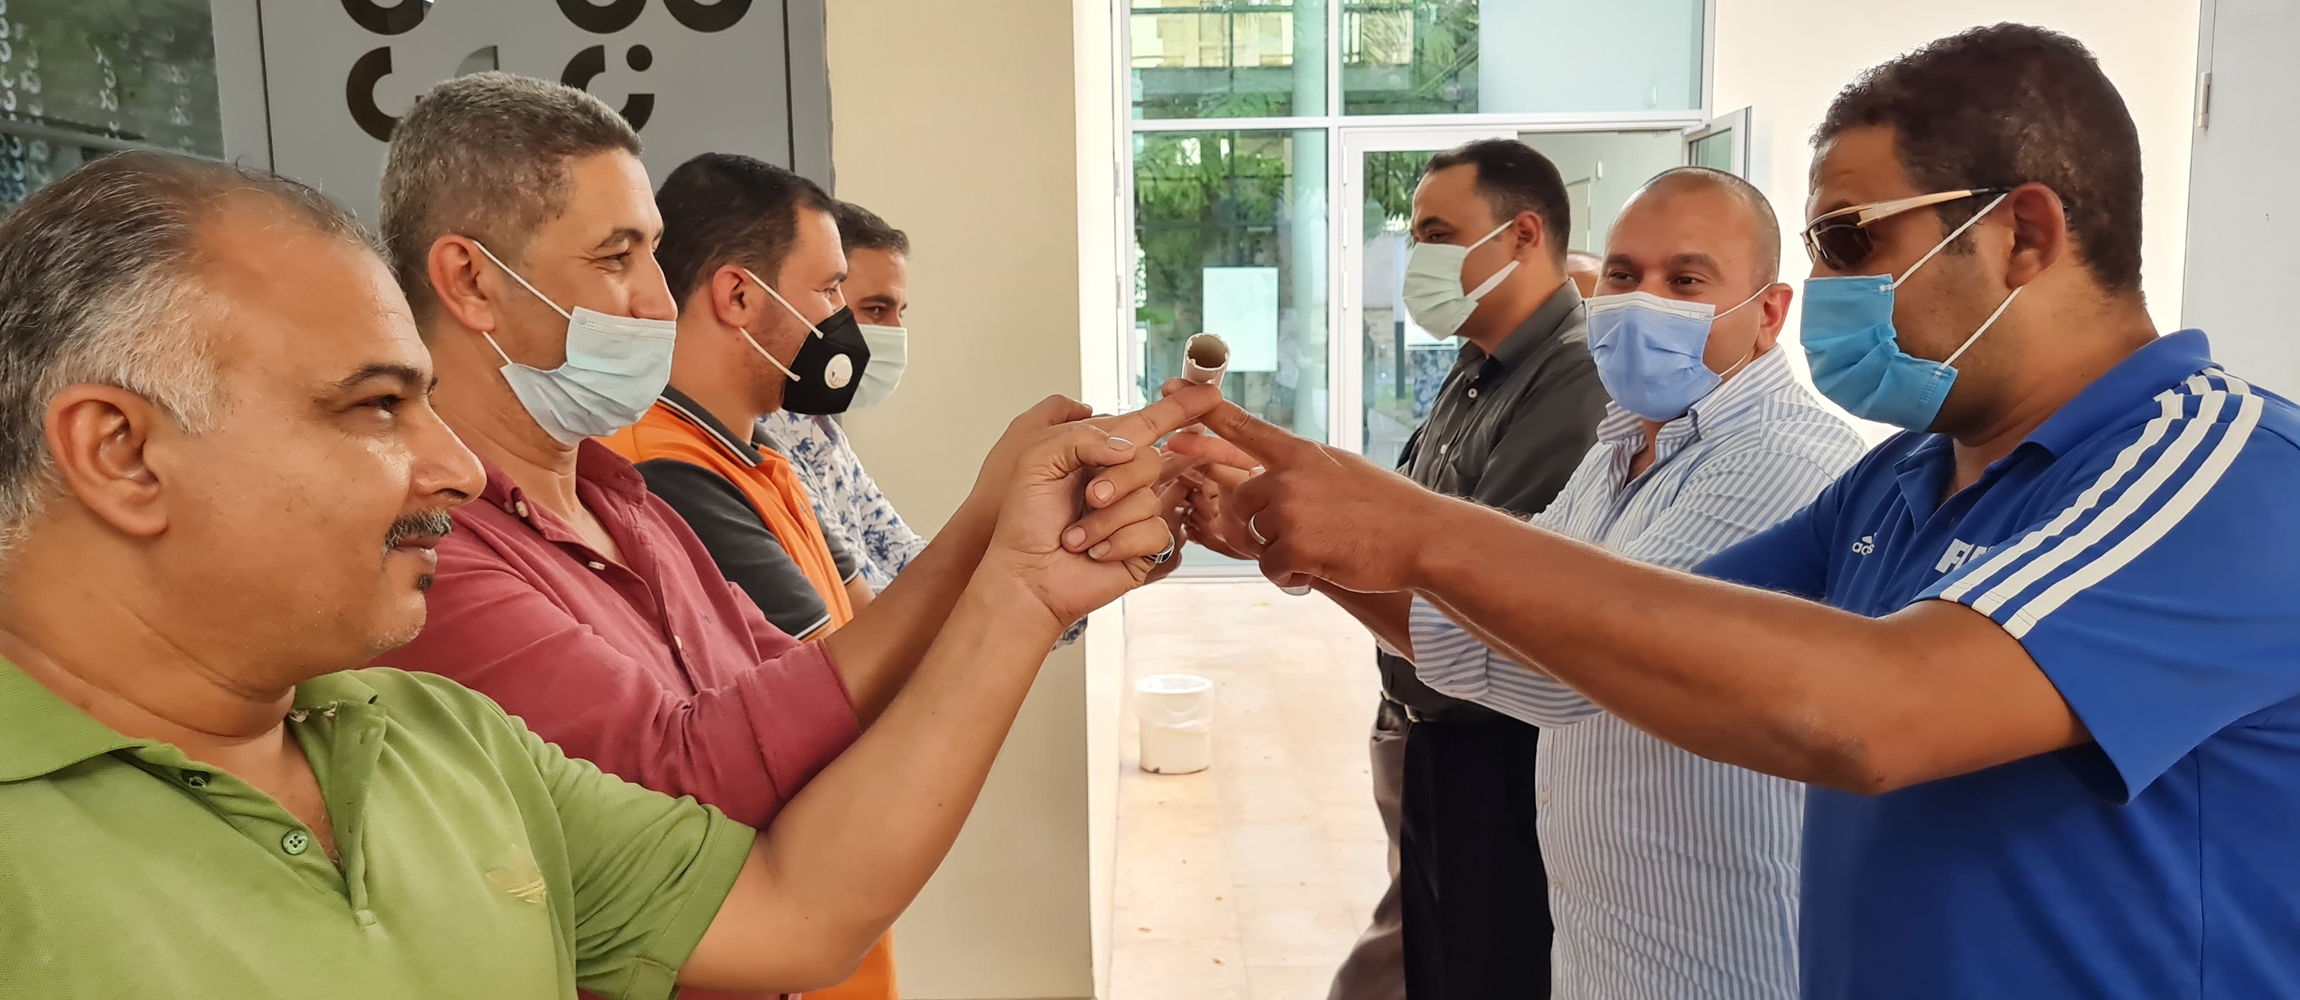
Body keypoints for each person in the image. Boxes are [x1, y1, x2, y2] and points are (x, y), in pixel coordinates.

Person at [1175, 24, 2300, 1000]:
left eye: (1851, 241)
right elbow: (1578, 653)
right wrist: (1314, 528)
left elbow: (1872, 714)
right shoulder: (1902, 481)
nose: (1829, 292)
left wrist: (1418, 528)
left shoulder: (2219, 475)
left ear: (2026, 235)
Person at [0, 152, 1205, 997]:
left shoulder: (440, 738)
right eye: (373, 407)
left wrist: (1020, 589)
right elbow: (718, 754)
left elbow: (795, 907)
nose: (451, 469)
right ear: (121, 452)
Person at [368, 73, 1206, 999]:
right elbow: (698, 774)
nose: (658, 302)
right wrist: (1000, 554)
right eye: (616, 258)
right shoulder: (429, 554)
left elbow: (812, 700)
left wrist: (1014, 543)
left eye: (654, 255)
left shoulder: (628, 505)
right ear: (471, 280)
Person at [1409, 167, 1864, 998]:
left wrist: (1354, 543)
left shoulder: (1784, 465)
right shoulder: (1623, 444)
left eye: (1685, 281)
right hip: (1607, 944)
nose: (1640, 302)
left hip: (1725, 962)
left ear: (1768, 313)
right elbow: (1512, 592)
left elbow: (1556, 666)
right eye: (1622, 275)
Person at [1201, 138, 1607, 1000]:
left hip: (1503, 748)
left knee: (1483, 964)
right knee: (1426, 952)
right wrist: (1279, 492)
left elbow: (1486, 607)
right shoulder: (1478, 366)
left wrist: (1293, 540)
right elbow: (1398, 522)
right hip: (1431, 731)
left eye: (1436, 234)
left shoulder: (1575, 380)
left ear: (1523, 235)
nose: (1417, 258)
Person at [756, 200, 926, 595]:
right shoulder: (762, 435)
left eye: (900, 313)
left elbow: (907, 558)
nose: (895, 332)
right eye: (876, 309)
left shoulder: (816, 424)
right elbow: (866, 606)